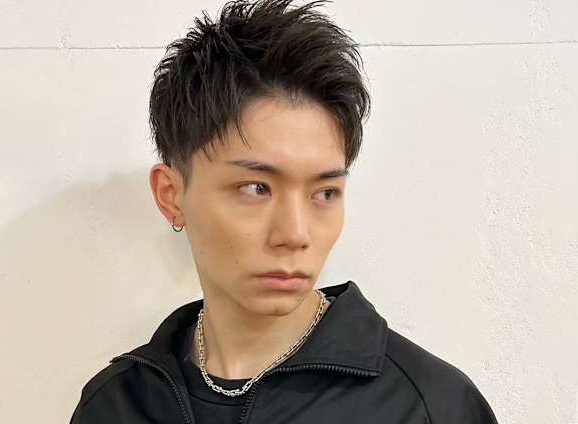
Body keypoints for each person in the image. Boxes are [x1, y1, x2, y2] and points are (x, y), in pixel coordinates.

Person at [70, 0, 499, 422]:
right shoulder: (114, 405)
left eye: (325, 193)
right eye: (256, 188)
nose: (295, 234)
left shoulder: (431, 407)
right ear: (171, 195)